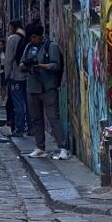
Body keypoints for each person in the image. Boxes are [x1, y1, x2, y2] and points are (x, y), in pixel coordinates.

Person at [20, 23, 69, 159]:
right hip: (32, 87)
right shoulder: (29, 47)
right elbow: (21, 65)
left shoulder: (51, 46)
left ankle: (63, 147)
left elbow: (56, 65)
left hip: (48, 87)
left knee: (53, 117)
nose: (32, 40)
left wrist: (40, 65)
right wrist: (27, 65)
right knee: (36, 119)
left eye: (34, 37)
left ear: (39, 36)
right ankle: (40, 147)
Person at [4, 20, 30, 136]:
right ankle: (30, 127)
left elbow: (8, 59)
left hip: (16, 75)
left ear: (13, 28)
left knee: (18, 103)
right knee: (29, 103)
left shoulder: (12, 39)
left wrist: (6, 75)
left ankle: (19, 129)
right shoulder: (28, 36)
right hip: (29, 76)